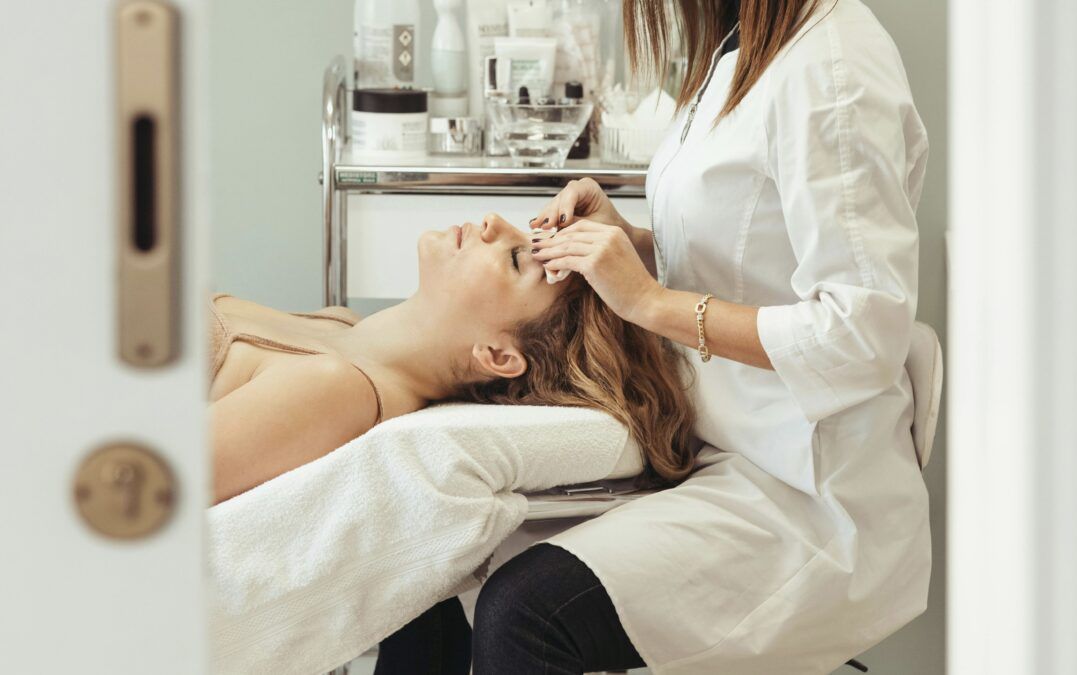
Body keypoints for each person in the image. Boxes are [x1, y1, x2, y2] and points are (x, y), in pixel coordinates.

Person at [376, 0, 933, 672]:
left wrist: (649, 301)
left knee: (526, 612)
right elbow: (750, 258)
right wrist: (633, 244)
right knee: (426, 557)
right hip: (720, 450)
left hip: (806, 494)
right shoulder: (740, 48)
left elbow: (860, 336)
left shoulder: (834, 66)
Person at [207, 214, 696, 505]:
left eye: (515, 259)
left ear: (499, 356)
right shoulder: (342, 327)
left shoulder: (334, 390)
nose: (494, 223)